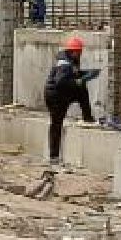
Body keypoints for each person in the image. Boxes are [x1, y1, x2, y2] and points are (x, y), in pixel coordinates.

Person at [43, 35, 97, 165]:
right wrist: (79, 81)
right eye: (79, 52)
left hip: (61, 94)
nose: (80, 54)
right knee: (56, 124)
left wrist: (87, 74)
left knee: (82, 91)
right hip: (55, 96)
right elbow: (61, 82)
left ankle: (87, 117)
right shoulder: (64, 64)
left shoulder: (70, 60)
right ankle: (54, 156)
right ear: (74, 51)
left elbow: (74, 74)